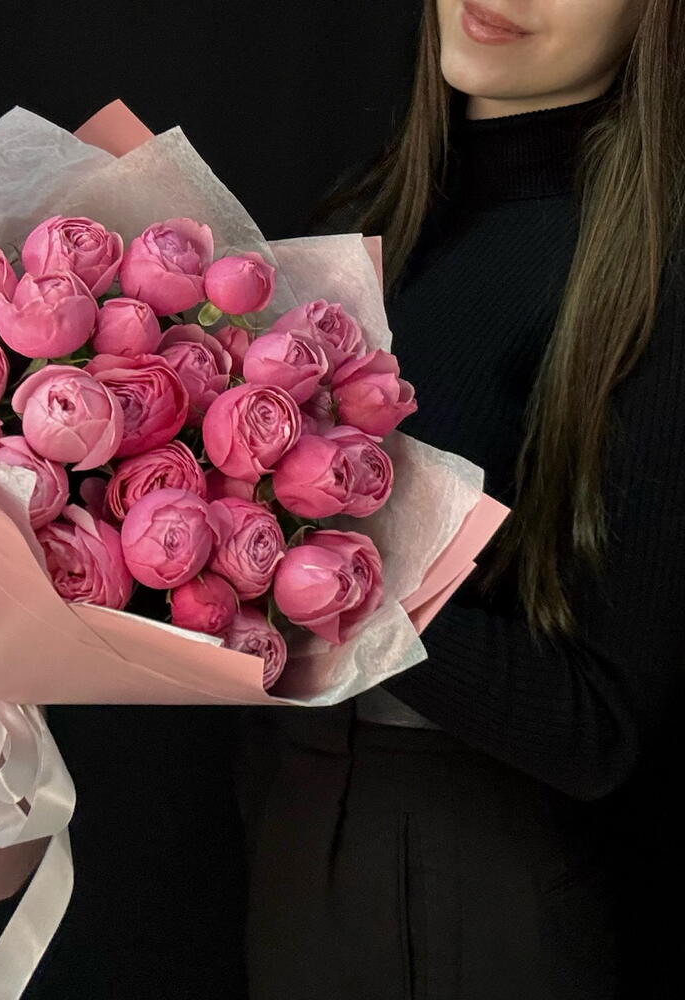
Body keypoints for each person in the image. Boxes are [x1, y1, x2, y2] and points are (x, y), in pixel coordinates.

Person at [234, 1, 685, 998]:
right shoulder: (367, 210)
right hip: (293, 824)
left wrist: (289, 560)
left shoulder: (646, 272)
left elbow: (602, 727)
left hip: (463, 887)